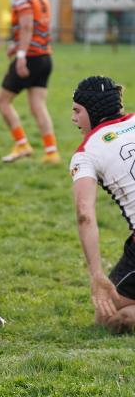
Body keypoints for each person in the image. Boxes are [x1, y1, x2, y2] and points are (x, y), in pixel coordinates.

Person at [70, 76, 135, 334]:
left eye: (77, 111)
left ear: (93, 111)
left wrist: (97, 275)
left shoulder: (86, 152)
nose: (73, 118)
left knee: (108, 317)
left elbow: (84, 214)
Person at [0, 0, 59, 164]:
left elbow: (27, 26)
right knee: (38, 106)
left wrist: (21, 54)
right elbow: (38, 28)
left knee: (2, 102)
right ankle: (51, 152)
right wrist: (17, 46)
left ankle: (22, 144)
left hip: (30, 57)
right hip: (45, 57)